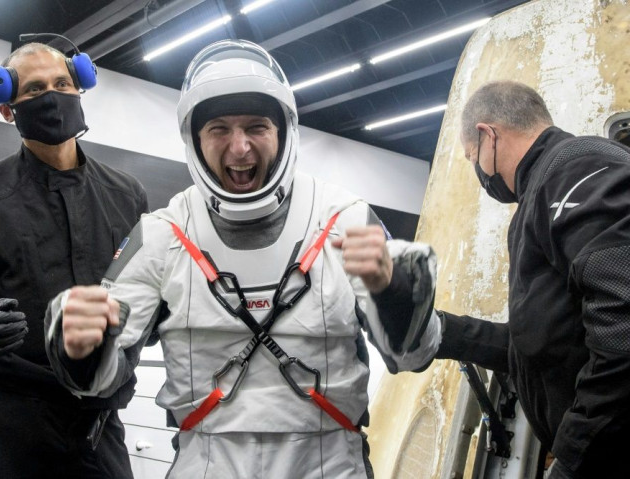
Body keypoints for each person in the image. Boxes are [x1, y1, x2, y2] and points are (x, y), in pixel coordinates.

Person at [44, 39, 442, 478]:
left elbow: (412, 356)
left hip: (329, 462)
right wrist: (80, 345)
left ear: (284, 132)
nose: (239, 148)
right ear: (194, 139)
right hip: (208, 461)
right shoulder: (162, 234)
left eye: (257, 127)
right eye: (219, 129)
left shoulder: (344, 218)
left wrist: (398, 291)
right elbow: (96, 382)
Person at [358, 81, 630, 478]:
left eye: (472, 157)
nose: (478, 173)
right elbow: (544, 338)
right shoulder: (541, 194)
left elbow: (622, 336)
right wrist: (439, 332)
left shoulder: (577, 171)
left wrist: (573, 459)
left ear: (488, 137)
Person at [0, 41, 148, 478]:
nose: (52, 97)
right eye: (34, 90)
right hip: (2, 440)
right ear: (5, 107)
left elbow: (147, 295)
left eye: (61, 84)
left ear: (81, 88)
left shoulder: (127, 197)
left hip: (98, 436)